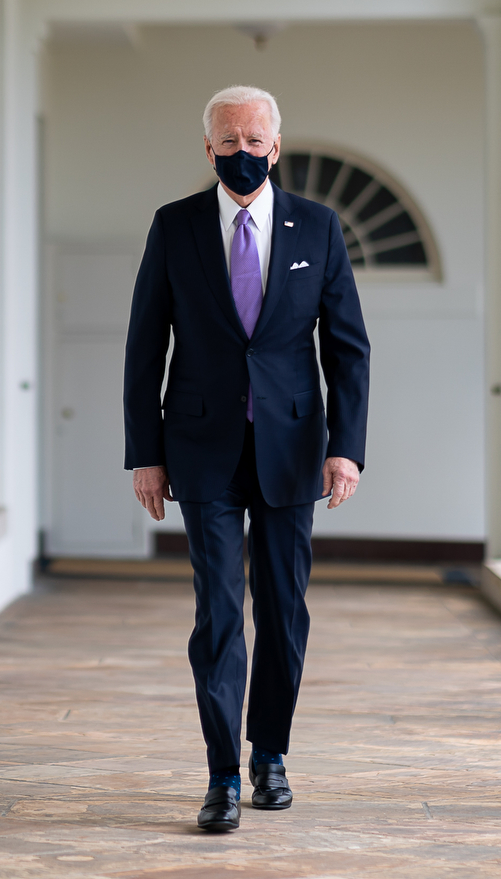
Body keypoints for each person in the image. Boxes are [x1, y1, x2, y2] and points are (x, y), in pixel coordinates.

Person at [123, 86, 371, 832]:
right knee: (220, 616)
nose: (243, 152)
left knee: (285, 613)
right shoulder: (175, 227)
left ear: (277, 142)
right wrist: (146, 454)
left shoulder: (319, 229)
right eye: (228, 140)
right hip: (200, 451)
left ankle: (271, 755)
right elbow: (145, 346)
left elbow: (348, 349)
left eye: (254, 138)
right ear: (208, 149)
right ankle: (222, 775)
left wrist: (346, 450)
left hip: (293, 450)